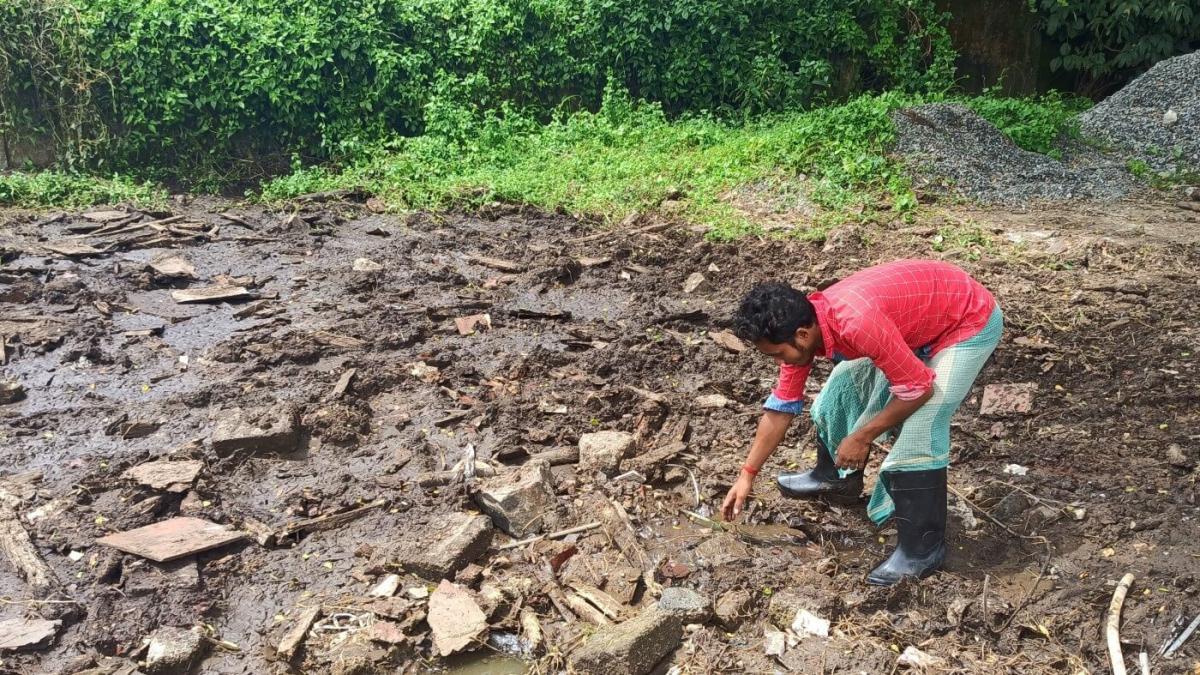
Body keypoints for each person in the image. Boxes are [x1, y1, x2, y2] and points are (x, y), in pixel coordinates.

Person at [720, 259, 1002, 586]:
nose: (779, 362)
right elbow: (780, 411)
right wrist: (746, 475)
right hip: (922, 320)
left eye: (778, 354)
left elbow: (918, 388)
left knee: (921, 428)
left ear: (802, 334)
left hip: (967, 321)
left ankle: (922, 550)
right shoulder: (802, 332)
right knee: (838, 390)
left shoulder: (855, 323)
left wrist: (863, 436)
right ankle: (835, 478)